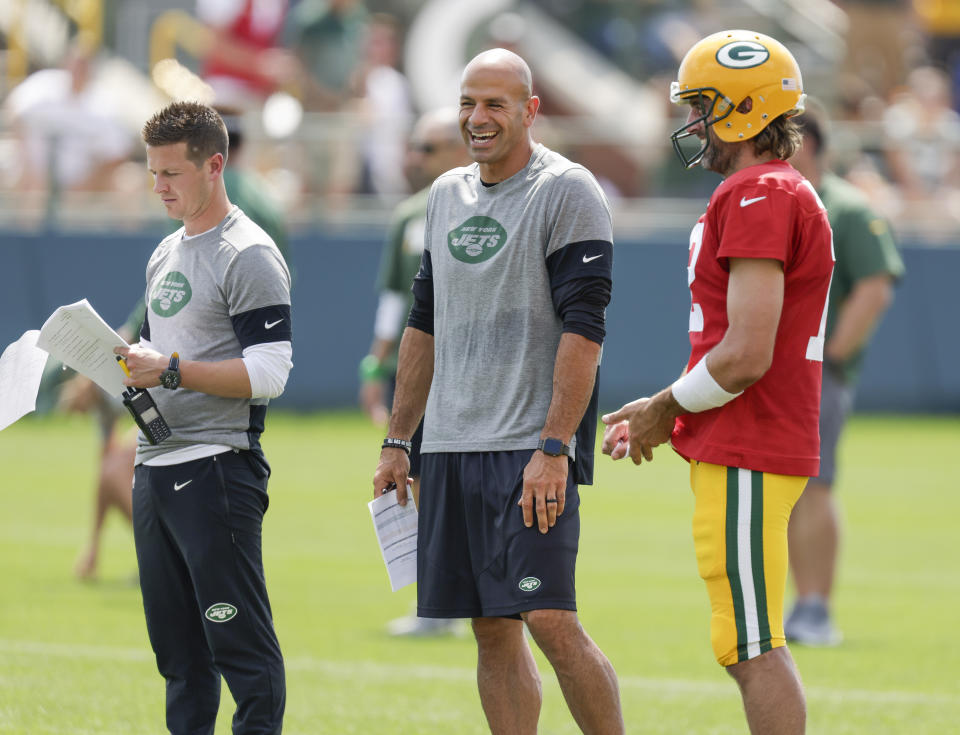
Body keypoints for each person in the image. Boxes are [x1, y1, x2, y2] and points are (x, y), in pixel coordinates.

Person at [372, 48, 624, 734]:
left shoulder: (566, 190)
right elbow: (423, 324)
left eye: (494, 105)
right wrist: (399, 438)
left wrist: (554, 446)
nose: (476, 119)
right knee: (491, 627)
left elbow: (585, 330)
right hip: (450, 445)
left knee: (550, 618)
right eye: (467, 103)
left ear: (529, 111)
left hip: (527, 448)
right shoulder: (443, 195)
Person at [601, 30, 833, 734]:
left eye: (703, 105)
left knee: (751, 645)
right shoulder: (769, 189)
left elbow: (745, 355)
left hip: (750, 443)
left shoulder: (761, 191)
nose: (694, 123)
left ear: (742, 107)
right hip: (744, 439)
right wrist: (670, 408)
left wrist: (666, 406)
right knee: (745, 643)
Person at [117, 101, 292, 734]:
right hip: (155, 465)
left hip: (217, 468)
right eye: (152, 172)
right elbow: (160, 358)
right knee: (179, 659)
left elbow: (270, 374)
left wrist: (167, 369)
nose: (158, 186)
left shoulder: (248, 252)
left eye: (171, 173)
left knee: (241, 652)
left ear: (213, 166)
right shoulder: (166, 251)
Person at [785, 103, 905, 646]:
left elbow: (876, 284)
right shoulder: (786, 200)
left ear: (805, 141)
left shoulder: (847, 208)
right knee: (790, 487)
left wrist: (832, 354)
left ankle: (816, 606)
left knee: (816, 484)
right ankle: (798, 604)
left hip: (816, 374)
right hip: (780, 372)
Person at [359, 106, 471, 636]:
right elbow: (390, 297)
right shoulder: (409, 214)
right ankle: (436, 604)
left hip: (468, 369)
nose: (414, 158)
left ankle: (458, 599)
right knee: (419, 479)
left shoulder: (478, 204)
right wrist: (374, 362)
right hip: (420, 367)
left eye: (427, 148)